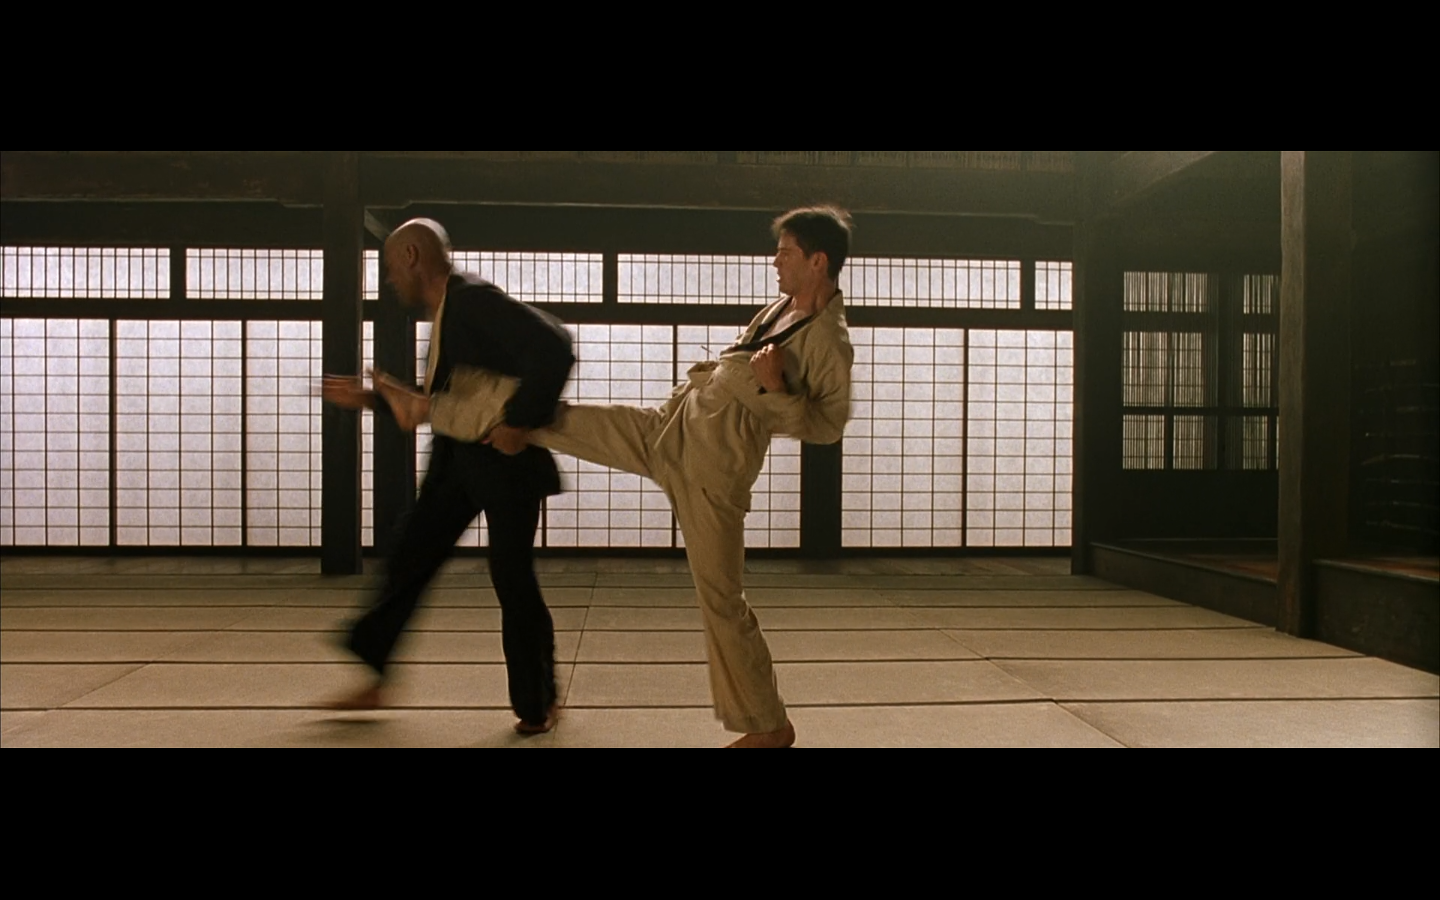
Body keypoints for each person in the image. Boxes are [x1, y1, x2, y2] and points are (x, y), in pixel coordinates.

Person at [382, 206, 855, 748]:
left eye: (786, 253)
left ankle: (769, 726)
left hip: (711, 470)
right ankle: (432, 408)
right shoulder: (781, 308)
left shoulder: (829, 340)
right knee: (553, 418)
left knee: (722, 600)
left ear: (817, 262)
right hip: (670, 428)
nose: (775, 261)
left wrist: (775, 388)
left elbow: (825, 426)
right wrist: (515, 424)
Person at [320, 218, 576, 736]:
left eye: (391, 267)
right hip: (457, 458)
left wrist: (519, 421)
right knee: (410, 555)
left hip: (504, 460)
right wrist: (371, 398)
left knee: (511, 576)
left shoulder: (472, 299)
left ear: (412, 256)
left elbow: (554, 346)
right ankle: (375, 673)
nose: (390, 280)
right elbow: (444, 403)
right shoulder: (447, 312)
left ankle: (539, 701)